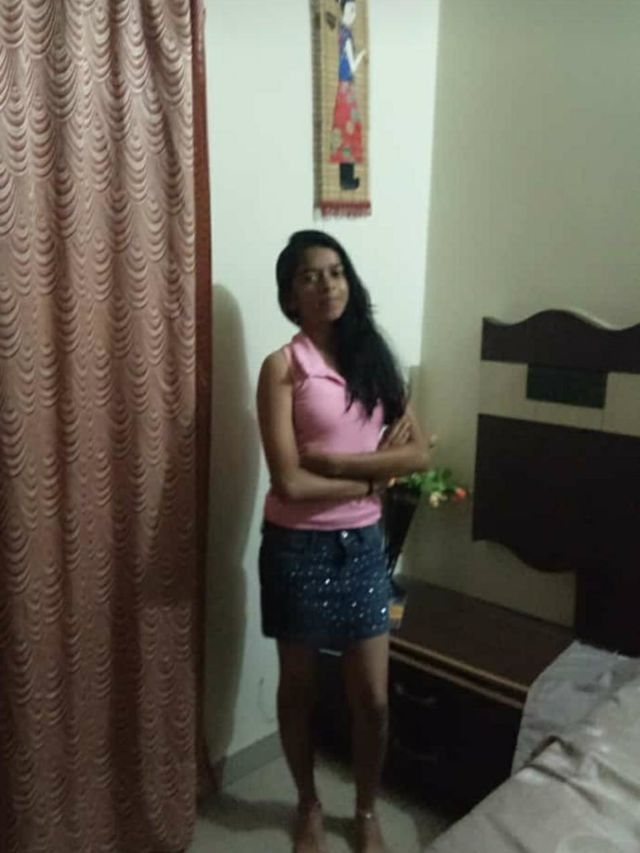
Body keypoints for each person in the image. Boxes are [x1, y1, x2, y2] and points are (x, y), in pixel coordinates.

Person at [257, 230, 428, 853]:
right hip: (296, 548)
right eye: (310, 276)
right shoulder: (283, 366)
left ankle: (364, 809)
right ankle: (308, 803)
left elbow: (418, 452)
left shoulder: (373, 359)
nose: (326, 284)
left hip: (362, 549)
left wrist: (338, 466)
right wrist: (371, 478)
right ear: (290, 295)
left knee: (373, 699)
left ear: (349, 282)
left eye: (335, 272)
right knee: (300, 691)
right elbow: (289, 482)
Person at [330, 0, 366, 190]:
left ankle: (346, 178)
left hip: (343, 86)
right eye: (350, 10)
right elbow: (351, 65)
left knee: (346, 131)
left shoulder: (341, 32)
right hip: (346, 86)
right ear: (343, 11)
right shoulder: (346, 35)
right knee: (348, 132)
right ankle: (346, 179)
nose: (353, 14)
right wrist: (361, 55)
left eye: (354, 10)